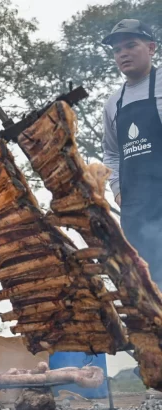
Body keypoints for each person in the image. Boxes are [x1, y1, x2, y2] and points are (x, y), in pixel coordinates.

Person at [101, 19, 161, 289]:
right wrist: (117, 191)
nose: (122, 53)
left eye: (130, 45)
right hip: (135, 213)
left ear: (151, 48)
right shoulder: (114, 103)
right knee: (142, 287)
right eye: (116, 50)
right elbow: (111, 153)